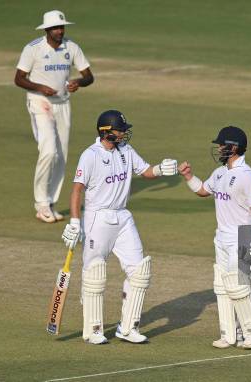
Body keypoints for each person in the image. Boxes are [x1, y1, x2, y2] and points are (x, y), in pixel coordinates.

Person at [61, 110, 178, 344]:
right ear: (106, 132)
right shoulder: (90, 155)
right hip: (98, 218)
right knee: (94, 272)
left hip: (123, 217)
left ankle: (127, 328)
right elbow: (77, 189)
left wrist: (160, 169)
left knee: (139, 271)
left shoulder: (126, 150)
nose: (124, 134)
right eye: (120, 130)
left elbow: (145, 171)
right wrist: (75, 222)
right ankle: (93, 330)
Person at [178, 126, 251, 349]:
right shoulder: (219, 173)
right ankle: (230, 334)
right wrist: (189, 176)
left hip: (243, 238)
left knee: (237, 286)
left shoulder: (247, 176)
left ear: (234, 148)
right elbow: (203, 191)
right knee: (221, 286)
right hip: (221, 238)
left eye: (221, 145)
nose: (218, 148)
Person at [14, 10, 94, 223]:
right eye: (56, 28)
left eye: (62, 27)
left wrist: (79, 82)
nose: (60, 31)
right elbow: (19, 79)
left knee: (61, 155)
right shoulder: (33, 49)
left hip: (63, 104)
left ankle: (50, 203)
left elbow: (89, 76)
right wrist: (39, 87)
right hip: (39, 102)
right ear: (47, 30)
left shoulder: (72, 47)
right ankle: (41, 204)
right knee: (48, 150)